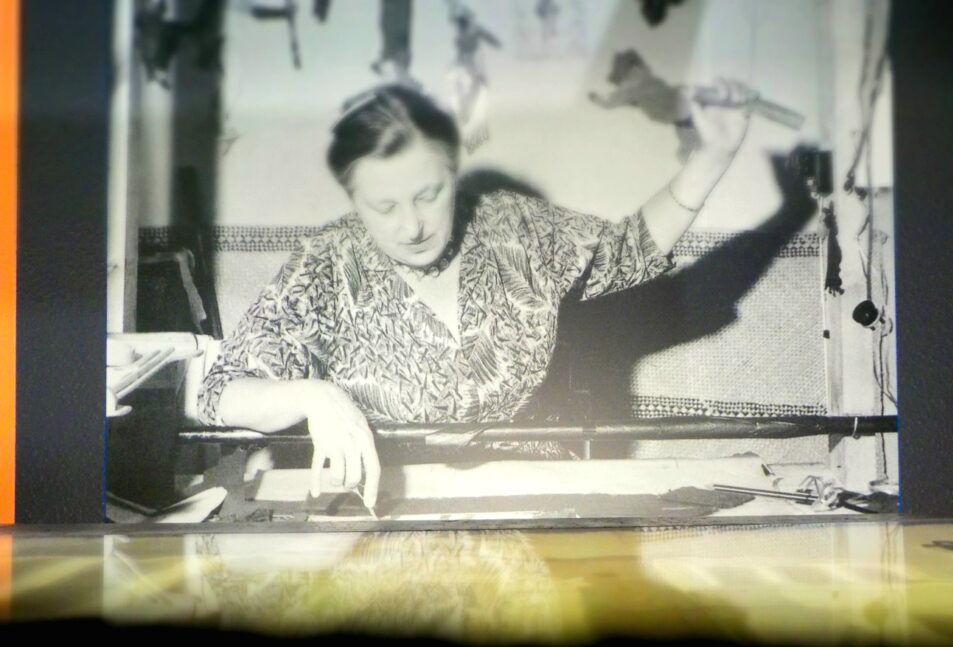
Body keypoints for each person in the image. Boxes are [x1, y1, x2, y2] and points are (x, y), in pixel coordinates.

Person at [197, 82, 755, 509]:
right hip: (385, 499)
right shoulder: (326, 262)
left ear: (453, 173)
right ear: (353, 196)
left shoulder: (514, 228)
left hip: (531, 490)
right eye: (383, 207)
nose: (412, 226)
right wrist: (315, 397)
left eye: (428, 195)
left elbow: (631, 249)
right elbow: (219, 392)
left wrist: (712, 158)